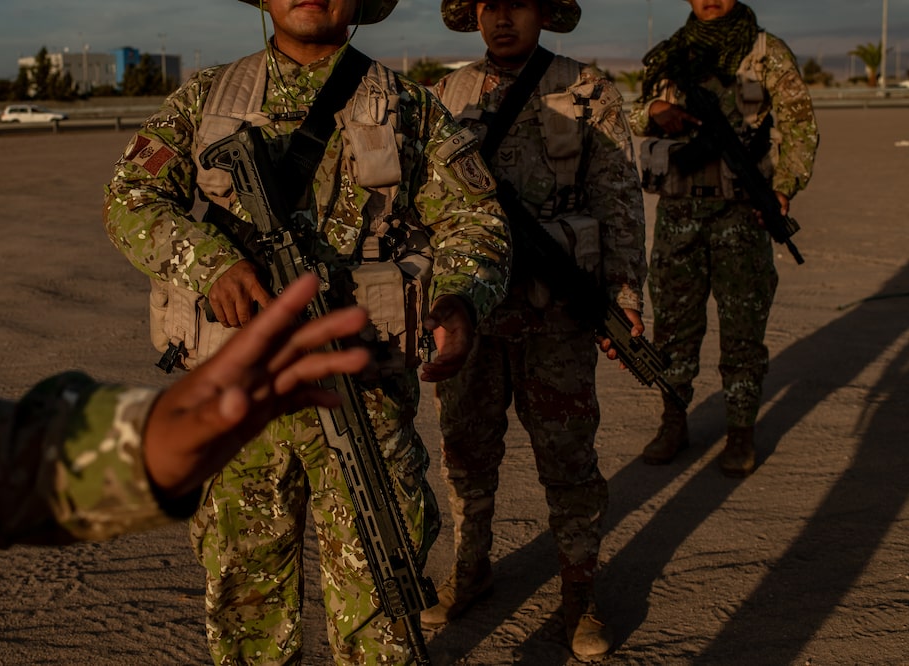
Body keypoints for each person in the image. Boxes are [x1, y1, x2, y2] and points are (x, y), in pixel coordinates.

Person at [102, 0, 511, 662]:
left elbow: (474, 216)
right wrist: (214, 266)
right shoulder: (207, 99)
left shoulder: (409, 106)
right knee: (247, 612)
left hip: (363, 395)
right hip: (238, 397)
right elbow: (130, 197)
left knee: (384, 603)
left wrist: (462, 298)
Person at [421, 0, 648, 661]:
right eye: (490, 4)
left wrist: (625, 294)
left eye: (518, 2)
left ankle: (580, 589)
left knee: (569, 456)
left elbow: (618, 197)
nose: (503, 18)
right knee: (465, 450)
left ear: (542, 12)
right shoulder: (444, 94)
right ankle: (471, 567)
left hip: (559, 312)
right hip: (471, 312)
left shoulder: (587, 88)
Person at [0, 273, 370, 546]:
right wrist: (213, 263)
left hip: (364, 385)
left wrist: (140, 445)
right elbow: (128, 198)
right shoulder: (191, 121)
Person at [628, 0, 818, 476]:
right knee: (673, 326)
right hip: (679, 214)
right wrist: (655, 110)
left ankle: (741, 431)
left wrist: (783, 187)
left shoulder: (766, 53)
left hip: (743, 214)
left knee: (743, 328)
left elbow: (800, 124)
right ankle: (674, 421)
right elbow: (631, 115)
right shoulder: (669, 54)